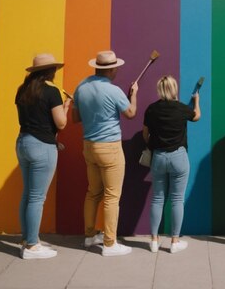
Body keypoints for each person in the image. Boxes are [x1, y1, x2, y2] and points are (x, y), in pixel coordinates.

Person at [73, 50, 138, 257]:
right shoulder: (114, 90)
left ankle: (90, 236)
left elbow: (75, 118)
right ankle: (110, 243)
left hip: (89, 146)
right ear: (110, 69)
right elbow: (130, 114)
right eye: (116, 67)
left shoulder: (81, 87)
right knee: (112, 196)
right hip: (109, 147)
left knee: (93, 193)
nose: (118, 69)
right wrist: (133, 95)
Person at [15, 53, 71, 259]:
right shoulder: (51, 92)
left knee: (27, 194)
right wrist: (66, 107)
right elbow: (61, 123)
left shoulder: (22, 91)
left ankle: (26, 238)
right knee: (37, 198)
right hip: (41, 147)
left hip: (23, 142)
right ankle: (31, 246)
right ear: (50, 71)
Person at [143, 76, 201, 253]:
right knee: (177, 199)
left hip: (159, 156)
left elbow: (145, 134)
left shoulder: (151, 109)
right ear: (174, 89)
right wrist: (196, 101)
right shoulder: (182, 108)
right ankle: (174, 242)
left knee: (157, 199)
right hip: (178, 157)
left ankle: (154, 240)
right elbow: (196, 116)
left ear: (159, 89)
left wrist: (150, 145)